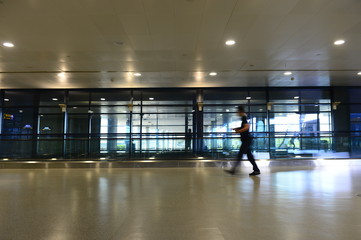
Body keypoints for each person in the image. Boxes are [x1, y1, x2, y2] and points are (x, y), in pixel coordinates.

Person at [225, 105, 260, 176]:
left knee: (240, 154)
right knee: (250, 156)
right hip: (246, 140)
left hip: (246, 140)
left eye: (237, 111)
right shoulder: (244, 117)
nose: (237, 113)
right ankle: (256, 170)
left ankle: (233, 170)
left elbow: (247, 127)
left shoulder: (244, 117)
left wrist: (238, 131)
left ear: (240, 111)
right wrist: (237, 128)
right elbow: (244, 127)